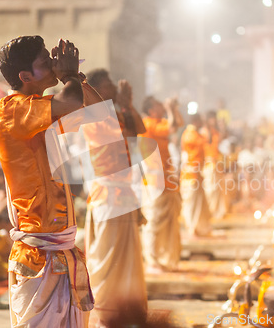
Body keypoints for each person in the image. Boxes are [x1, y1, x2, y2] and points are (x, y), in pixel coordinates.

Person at [0, 36, 93, 327]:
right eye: (44, 62)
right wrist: (69, 76)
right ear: (25, 77)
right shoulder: (12, 110)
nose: (53, 64)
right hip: (39, 256)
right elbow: (72, 101)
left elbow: (99, 115)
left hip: (60, 249)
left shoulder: (41, 109)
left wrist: (78, 79)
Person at [85, 68, 148, 327]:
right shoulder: (93, 116)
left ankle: (126, 308)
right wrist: (121, 107)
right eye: (108, 83)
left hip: (123, 194)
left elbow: (138, 132)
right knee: (107, 258)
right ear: (98, 90)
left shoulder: (116, 114)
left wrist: (128, 106)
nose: (113, 86)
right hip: (108, 197)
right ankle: (106, 310)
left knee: (128, 259)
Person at [139, 96, 183, 272]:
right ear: (151, 110)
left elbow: (177, 123)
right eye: (159, 105)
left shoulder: (158, 121)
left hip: (166, 177)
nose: (162, 107)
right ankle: (152, 260)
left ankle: (163, 257)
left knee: (168, 219)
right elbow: (172, 127)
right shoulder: (148, 123)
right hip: (154, 179)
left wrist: (173, 109)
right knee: (155, 220)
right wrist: (170, 109)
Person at [180, 114, 212, 237]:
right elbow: (205, 140)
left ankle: (199, 228)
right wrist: (206, 127)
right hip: (190, 175)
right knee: (191, 203)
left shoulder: (196, 134)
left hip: (197, 174)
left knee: (199, 203)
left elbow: (207, 141)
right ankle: (191, 228)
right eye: (200, 122)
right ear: (195, 121)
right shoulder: (189, 134)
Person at [201, 110, 227, 220]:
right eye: (212, 118)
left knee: (218, 189)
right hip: (208, 163)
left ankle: (217, 211)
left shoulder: (214, 131)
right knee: (210, 189)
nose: (214, 120)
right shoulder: (204, 131)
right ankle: (209, 211)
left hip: (216, 162)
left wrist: (222, 127)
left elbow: (220, 140)